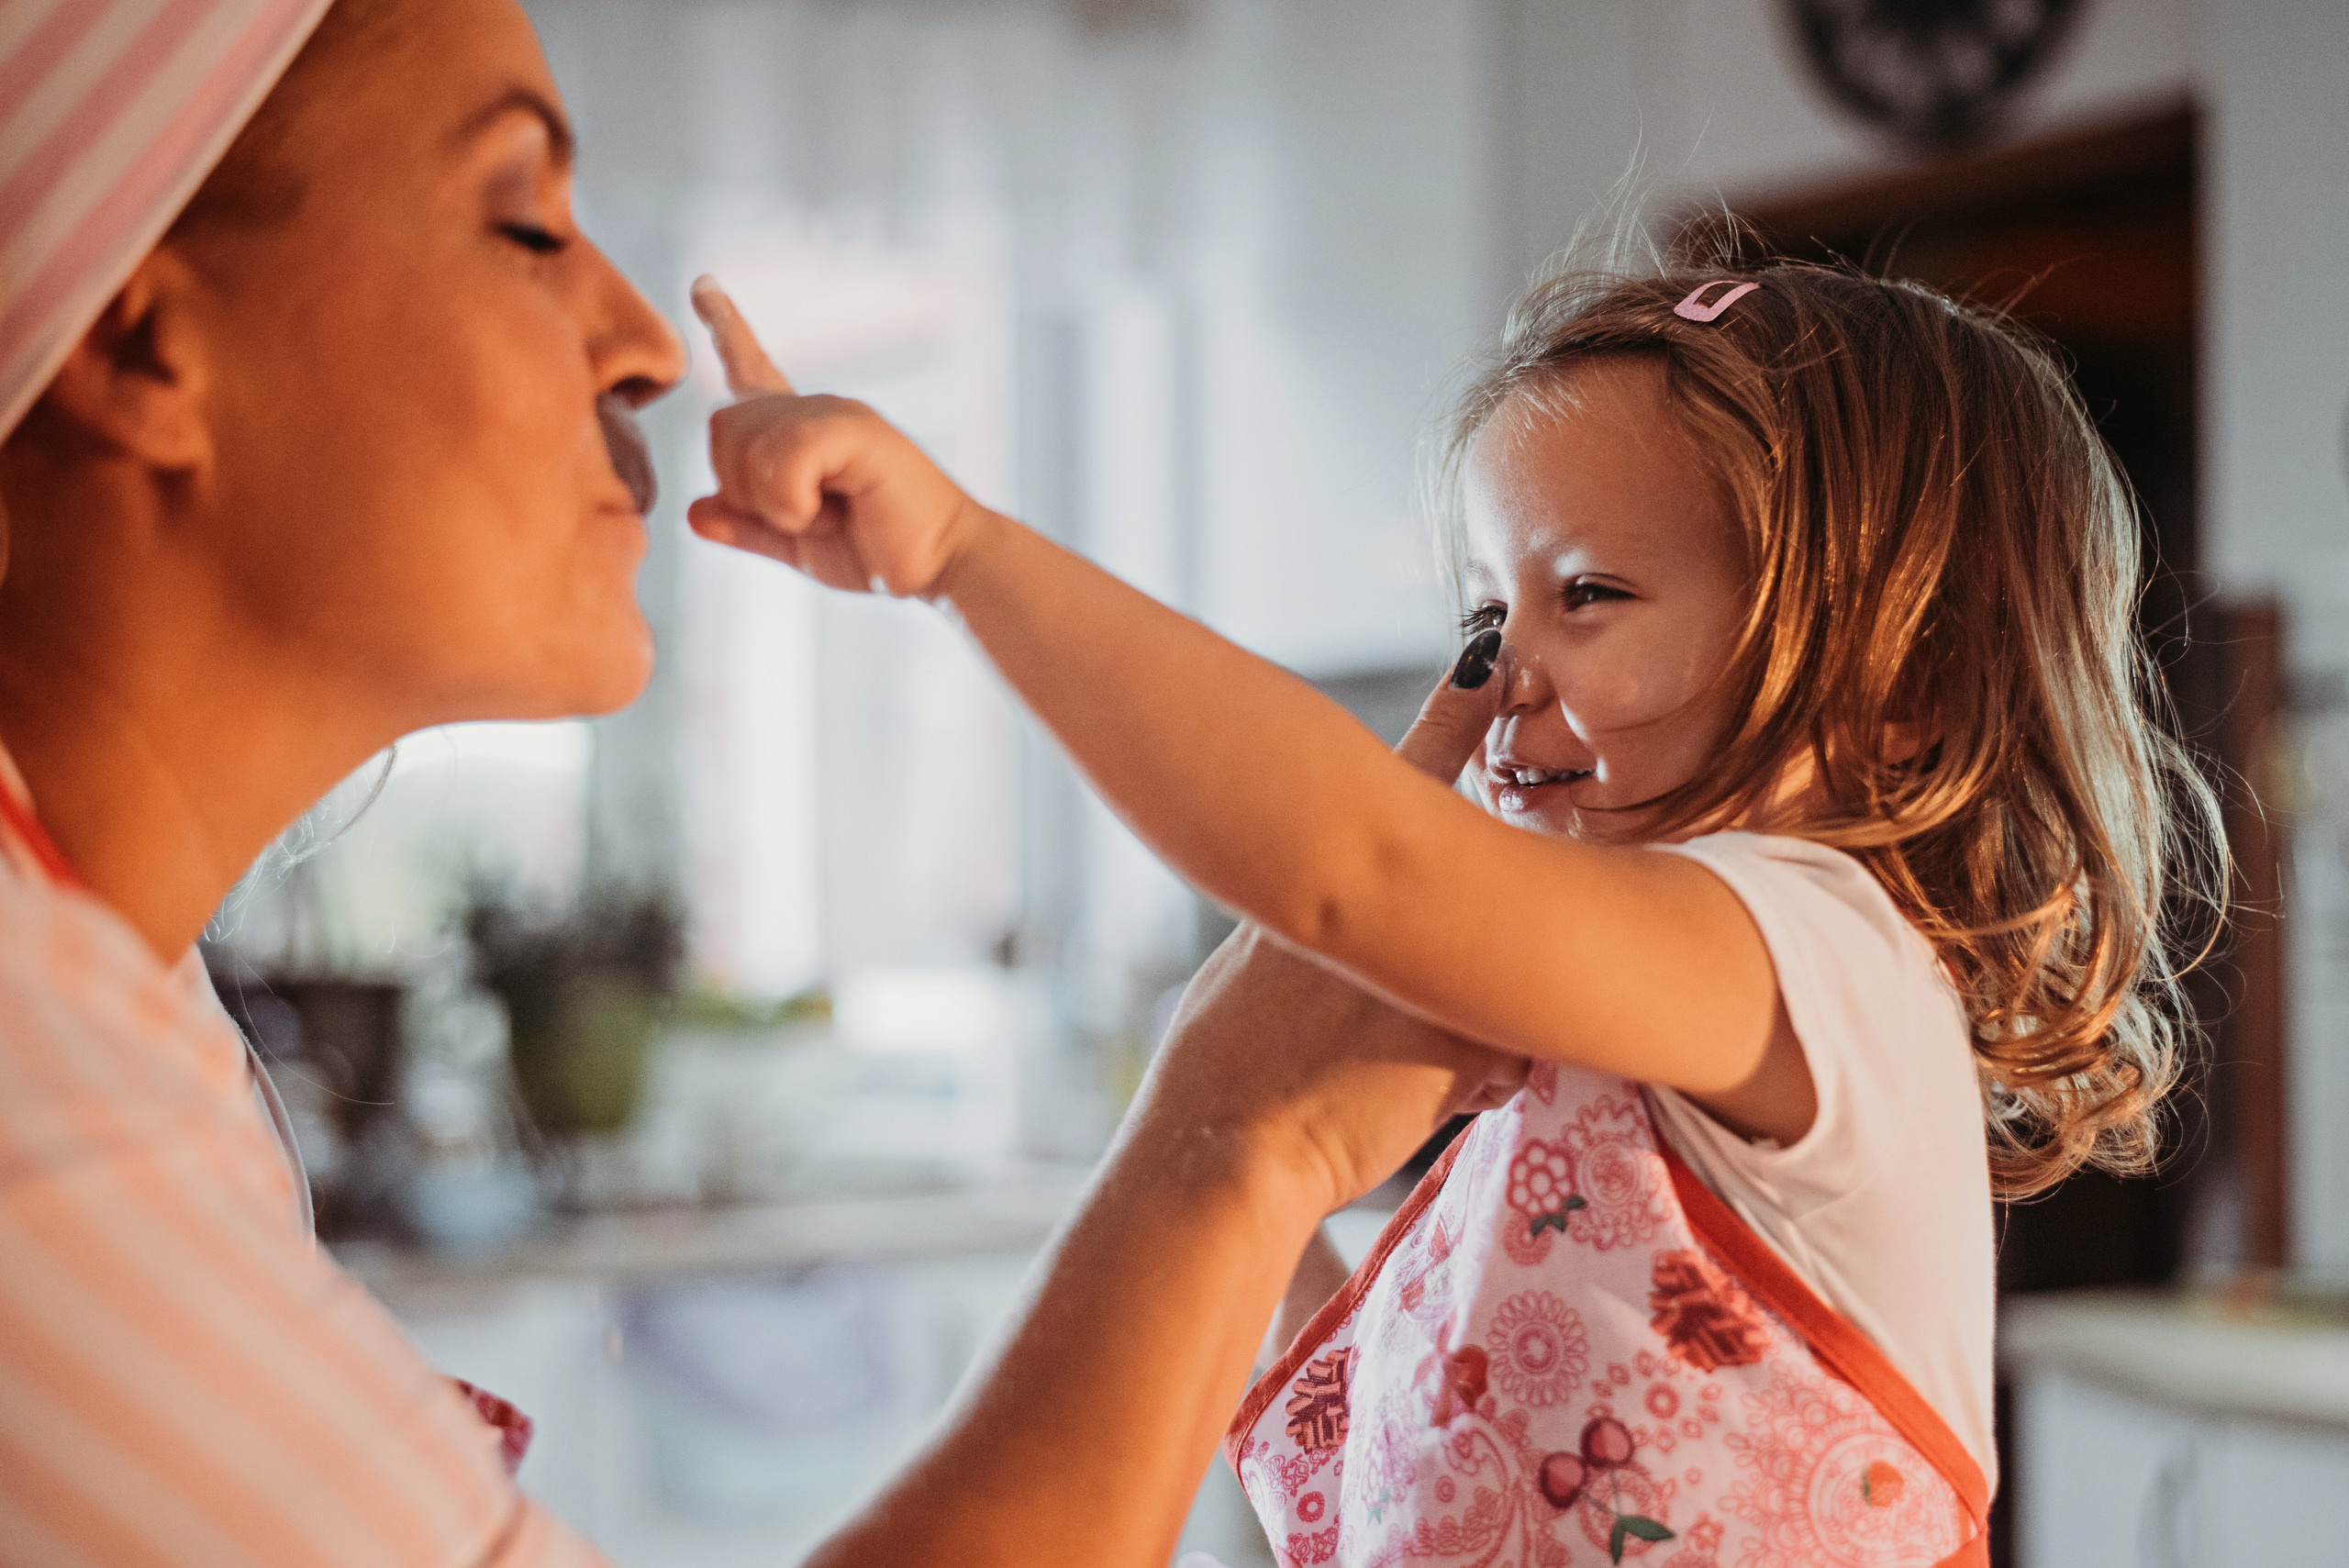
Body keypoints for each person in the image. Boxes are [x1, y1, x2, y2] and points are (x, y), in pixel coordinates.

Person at [0, 2, 1524, 1564]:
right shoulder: (30, 1084)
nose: (649, 342)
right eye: (526, 220)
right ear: (140, 343)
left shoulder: (133, 1013)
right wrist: (1236, 1137)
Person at [685, 245, 2223, 1566]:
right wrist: (1237, 1130)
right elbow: (1408, 1400)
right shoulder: (1597, 1073)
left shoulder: (1811, 944)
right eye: (1492, 608)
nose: (1508, 673)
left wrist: (963, 554)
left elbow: (1356, 864)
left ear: (1904, 681)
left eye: (1591, 594)